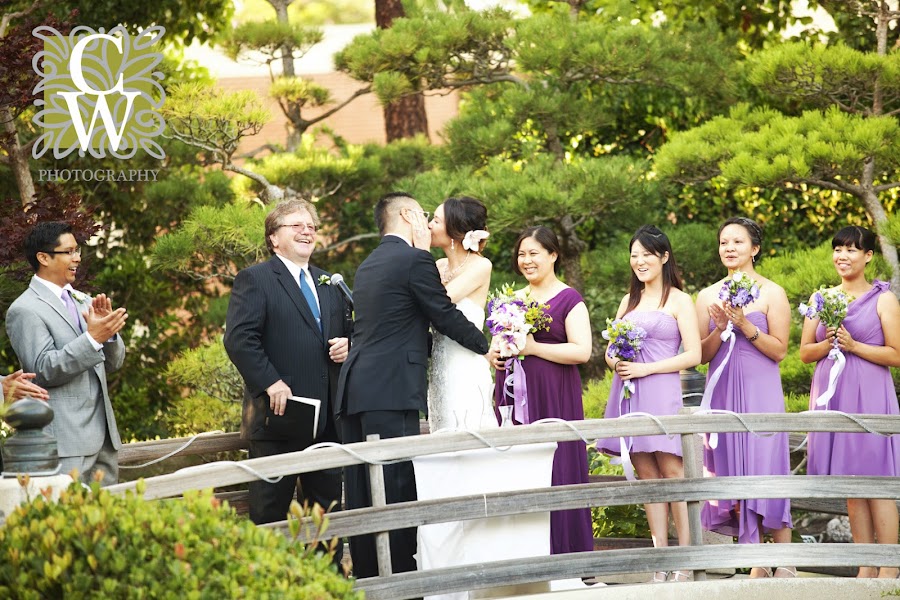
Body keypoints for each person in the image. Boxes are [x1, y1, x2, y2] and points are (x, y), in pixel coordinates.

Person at [336, 192, 490, 579]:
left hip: (356, 388)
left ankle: (371, 580)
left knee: (362, 492)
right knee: (395, 487)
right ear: (407, 215)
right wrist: (485, 346)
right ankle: (403, 583)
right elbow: (440, 311)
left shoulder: (368, 264)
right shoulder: (415, 259)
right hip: (389, 390)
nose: (427, 220)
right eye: (422, 214)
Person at [223, 199, 351, 569]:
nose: (307, 230)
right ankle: (269, 585)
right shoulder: (256, 279)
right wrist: (270, 381)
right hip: (277, 416)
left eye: (310, 224)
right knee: (269, 515)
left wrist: (349, 345)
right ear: (274, 238)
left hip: (327, 421)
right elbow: (240, 339)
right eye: (296, 225)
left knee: (325, 516)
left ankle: (326, 586)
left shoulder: (331, 283)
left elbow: (352, 331)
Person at [596, 225, 700, 583]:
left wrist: (646, 368)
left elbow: (694, 354)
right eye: (634, 255)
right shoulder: (629, 301)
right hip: (628, 392)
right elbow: (609, 349)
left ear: (664, 257)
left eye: (647, 255)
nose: (639, 261)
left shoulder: (679, 301)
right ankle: (660, 558)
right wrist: (616, 362)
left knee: (672, 471)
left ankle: (685, 558)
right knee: (646, 475)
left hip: (661, 388)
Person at [695, 217, 793, 578]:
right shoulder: (706, 296)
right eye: (724, 242)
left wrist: (745, 325)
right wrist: (720, 329)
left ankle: (784, 559)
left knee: (766, 467)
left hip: (761, 391)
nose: (729, 248)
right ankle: (754, 559)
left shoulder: (772, 292)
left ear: (755, 248)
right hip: (722, 392)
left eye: (738, 242)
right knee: (730, 467)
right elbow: (701, 356)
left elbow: (780, 351)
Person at [799, 225, 900, 579]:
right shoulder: (821, 298)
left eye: (852, 250)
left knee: (877, 482)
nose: (842, 256)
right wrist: (830, 343)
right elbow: (805, 353)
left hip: (870, 395)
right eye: (837, 249)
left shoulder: (883, 298)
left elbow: (897, 353)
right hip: (834, 396)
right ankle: (865, 565)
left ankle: (889, 567)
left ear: (868, 256)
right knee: (853, 487)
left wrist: (855, 346)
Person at [489, 226, 593, 556]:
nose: (527, 260)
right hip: (513, 394)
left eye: (534, 253)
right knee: (517, 468)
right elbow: (496, 346)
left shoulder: (570, 299)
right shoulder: (511, 301)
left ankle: (566, 553)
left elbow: (582, 351)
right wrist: (495, 355)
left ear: (553, 255)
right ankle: (524, 553)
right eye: (522, 254)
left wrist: (532, 348)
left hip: (556, 395)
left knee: (558, 467)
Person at [5, 222, 127, 486]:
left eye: (78, 250)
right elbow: (44, 369)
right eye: (69, 251)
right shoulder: (24, 309)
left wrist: (109, 335)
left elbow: (114, 363)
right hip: (66, 441)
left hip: (105, 438)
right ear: (43, 257)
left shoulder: (84, 300)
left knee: (105, 523)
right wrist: (92, 339)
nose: (77, 258)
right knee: (70, 522)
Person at [426, 196, 496, 432]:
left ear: (454, 229)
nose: (429, 226)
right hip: (438, 368)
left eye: (436, 220)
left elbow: (439, 302)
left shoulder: (481, 266)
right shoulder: (438, 266)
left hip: (464, 367)